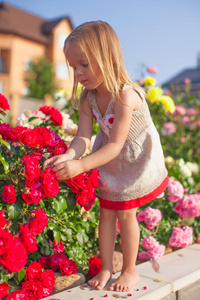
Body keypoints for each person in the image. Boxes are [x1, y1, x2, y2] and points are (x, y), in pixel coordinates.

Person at [44, 21, 169, 292]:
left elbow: (116, 144)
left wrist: (81, 165)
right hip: (109, 155)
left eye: (84, 64)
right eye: (73, 66)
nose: (77, 72)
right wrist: (69, 156)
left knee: (126, 213)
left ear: (108, 59)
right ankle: (106, 268)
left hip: (133, 157)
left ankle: (130, 270)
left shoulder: (125, 95)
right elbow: (84, 138)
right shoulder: (88, 98)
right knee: (106, 213)